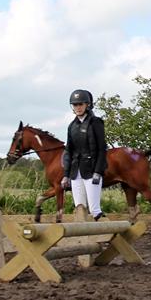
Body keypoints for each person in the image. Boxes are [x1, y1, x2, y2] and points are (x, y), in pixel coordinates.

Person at [60, 89, 109, 220]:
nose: (78, 107)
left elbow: (101, 149)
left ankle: (107, 232)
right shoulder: (71, 126)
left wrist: (98, 171)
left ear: (87, 105)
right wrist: (66, 175)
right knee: (80, 207)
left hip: (92, 170)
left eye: (81, 104)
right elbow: (69, 150)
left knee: (94, 208)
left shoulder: (96, 122)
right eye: (75, 105)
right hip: (76, 172)